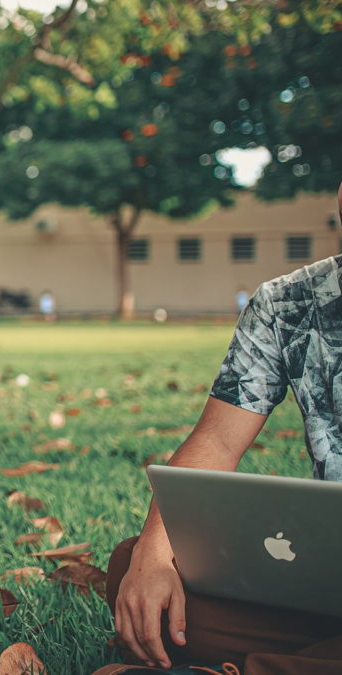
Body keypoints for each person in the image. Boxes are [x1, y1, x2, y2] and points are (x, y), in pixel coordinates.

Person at [97, 184, 342, 675]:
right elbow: (217, 440)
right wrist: (156, 554)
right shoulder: (289, 303)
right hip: (330, 577)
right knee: (138, 572)